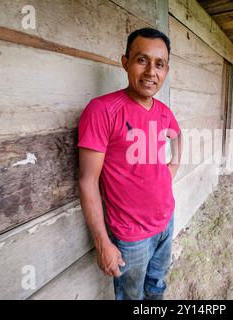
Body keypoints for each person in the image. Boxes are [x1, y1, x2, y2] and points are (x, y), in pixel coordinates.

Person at [77, 28, 182, 300]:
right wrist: (102, 242)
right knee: (131, 296)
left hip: (166, 220)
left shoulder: (163, 111)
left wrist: (174, 166)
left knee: (156, 286)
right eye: (142, 60)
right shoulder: (102, 110)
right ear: (125, 62)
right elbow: (87, 181)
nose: (151, 72)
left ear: (166, 70)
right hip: (130, 234)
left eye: (159, 64)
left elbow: (177, 135)